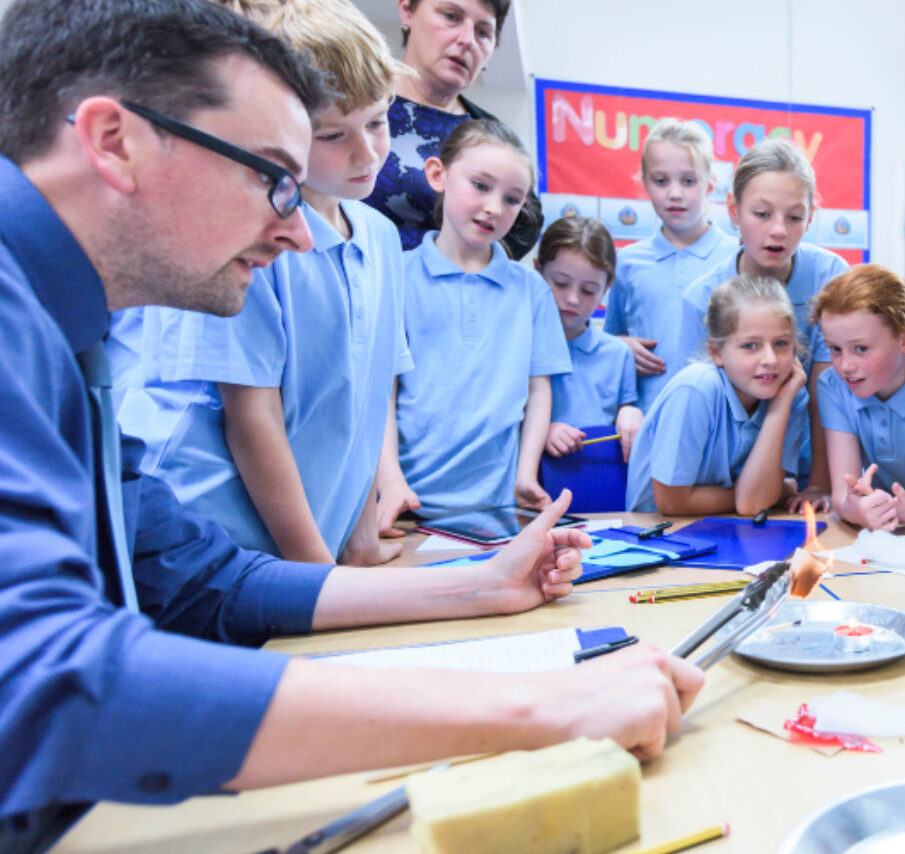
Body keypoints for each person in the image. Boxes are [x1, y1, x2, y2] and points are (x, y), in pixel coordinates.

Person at [0, 0, 705, 842]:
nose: (296, 229)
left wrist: (478, 584)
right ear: (115, 141)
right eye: (270, 175)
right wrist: (541, 706)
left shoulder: (67, 333)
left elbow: (195, 580)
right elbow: (44, 685)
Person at [111, 0, 412, 566]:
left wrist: (359, 538)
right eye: (331, 135)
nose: (367, 152)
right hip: (208, 530)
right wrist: (317, 575)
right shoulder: (250, 231)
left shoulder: (381, 236)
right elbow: (253, 417)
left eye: (377, 121)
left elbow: (370, 396)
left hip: (310, 537)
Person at [377, 118, 571, 528]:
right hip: (407, 509)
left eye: (512, 199)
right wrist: (390, 480)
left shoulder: (531, 290)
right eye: (480, 186)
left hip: (497, 513)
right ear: (438, 175)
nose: (493, 208)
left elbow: (539, 390)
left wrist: (525, 473)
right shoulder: (395, 274)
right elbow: (381, 391)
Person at [678, 139, 848, 511]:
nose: (778, 231)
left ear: (811, 215)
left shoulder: (830, 277)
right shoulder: (702, 297)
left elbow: (826, 393)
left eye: (794, 217)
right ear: (733, 210)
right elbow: (698, 407)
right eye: (762, 214)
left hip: (812, 472)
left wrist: (819, 483)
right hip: (727, 484)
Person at [363, 0, 542, 259]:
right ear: (406, 9)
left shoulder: (492, 138)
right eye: (451, 16)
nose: (467, 39)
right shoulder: (352, 99)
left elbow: (525, 227)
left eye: (483, 32)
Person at [627, 275, 808, 515]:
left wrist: (778, 408)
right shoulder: (696, 389)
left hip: (733, 529)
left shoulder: (790, 395)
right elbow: (671, 503)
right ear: (717, 352)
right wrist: (776, 492)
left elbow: (753, 505)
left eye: (781, 343)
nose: (770, 360)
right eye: (750, 346)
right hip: (659, 534)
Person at [604, 119, 737, 412]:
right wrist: (618, 347)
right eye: (661, 180)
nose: (675, 193)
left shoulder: (737, 258)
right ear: (645, 183)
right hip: (646, 419)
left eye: (688, 181)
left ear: (709, 183)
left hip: (718, 421)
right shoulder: (627, 262)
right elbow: (609, 337)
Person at [535, 216, 642, 463]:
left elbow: (622, 416)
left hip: (594, 486)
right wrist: (543, 431)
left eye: (588, 290)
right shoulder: (518, 345)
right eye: (560, 283)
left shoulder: (618, 354)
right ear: (538, 270)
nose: (572, 299)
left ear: (606, 288)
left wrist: (630, 412)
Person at [812, 265, 905, 530]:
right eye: (835, 349)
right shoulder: (833, 386)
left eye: (861, 348)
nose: (845, 366)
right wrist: (855, 509)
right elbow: (842, 493)